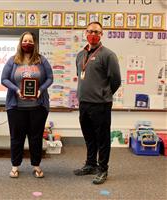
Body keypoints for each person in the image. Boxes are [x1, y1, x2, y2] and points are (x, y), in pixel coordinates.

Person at [74, 21, 121, 184]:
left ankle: (103, 169)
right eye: (90, 31)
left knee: (102, 139)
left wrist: (103, 95)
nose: (93, 34)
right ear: (85, 33)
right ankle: (90, 164)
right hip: (84, 103)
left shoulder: (108, 55)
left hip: (100, 105)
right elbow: (81, 77)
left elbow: (116, 81)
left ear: (101, 34)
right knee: (89, 137)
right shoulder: (80, 55)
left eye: (96, 32)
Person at [1, 31, 53, 178]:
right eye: (25, 41)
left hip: (38, 107)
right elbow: (4, 79)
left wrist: (41, 90)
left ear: (34, 44)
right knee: (16, 138)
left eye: (30, 41)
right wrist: (16, 90)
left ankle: (36, 165)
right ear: (20, 42)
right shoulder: (13, 60)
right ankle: (15, 166)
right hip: (16, 108)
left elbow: (50, 78)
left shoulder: (41, 60)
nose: (27, 44)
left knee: (35, 138)